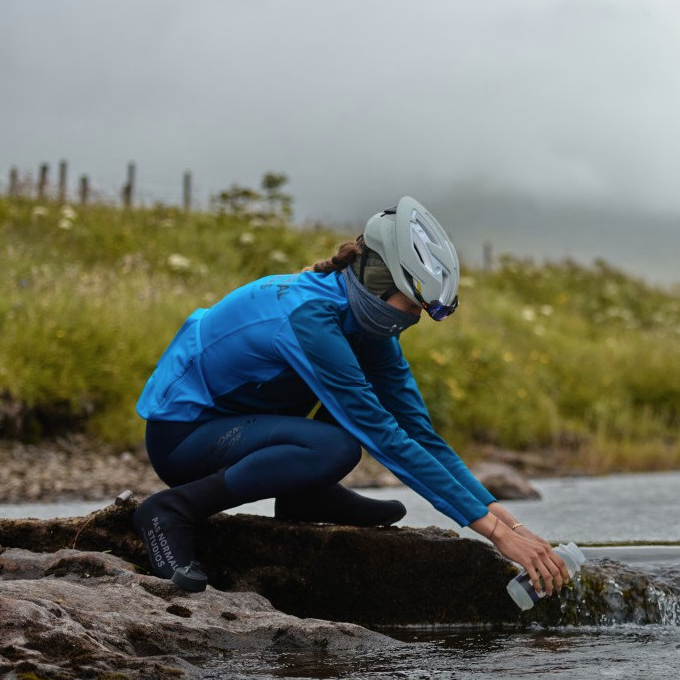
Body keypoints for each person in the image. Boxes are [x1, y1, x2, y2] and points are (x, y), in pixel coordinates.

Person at [134, 195, 569, 594]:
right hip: (183, 440)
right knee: (337, 444)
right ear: (379, 280)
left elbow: (418, 432)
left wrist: (506, 518)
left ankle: (305, 496)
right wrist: (493, 534)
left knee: (349, 428)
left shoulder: (366, 325)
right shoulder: (310, 318)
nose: (414, 319)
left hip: (241, 424)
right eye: (413, 305)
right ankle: (173, 510)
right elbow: (382, 435)